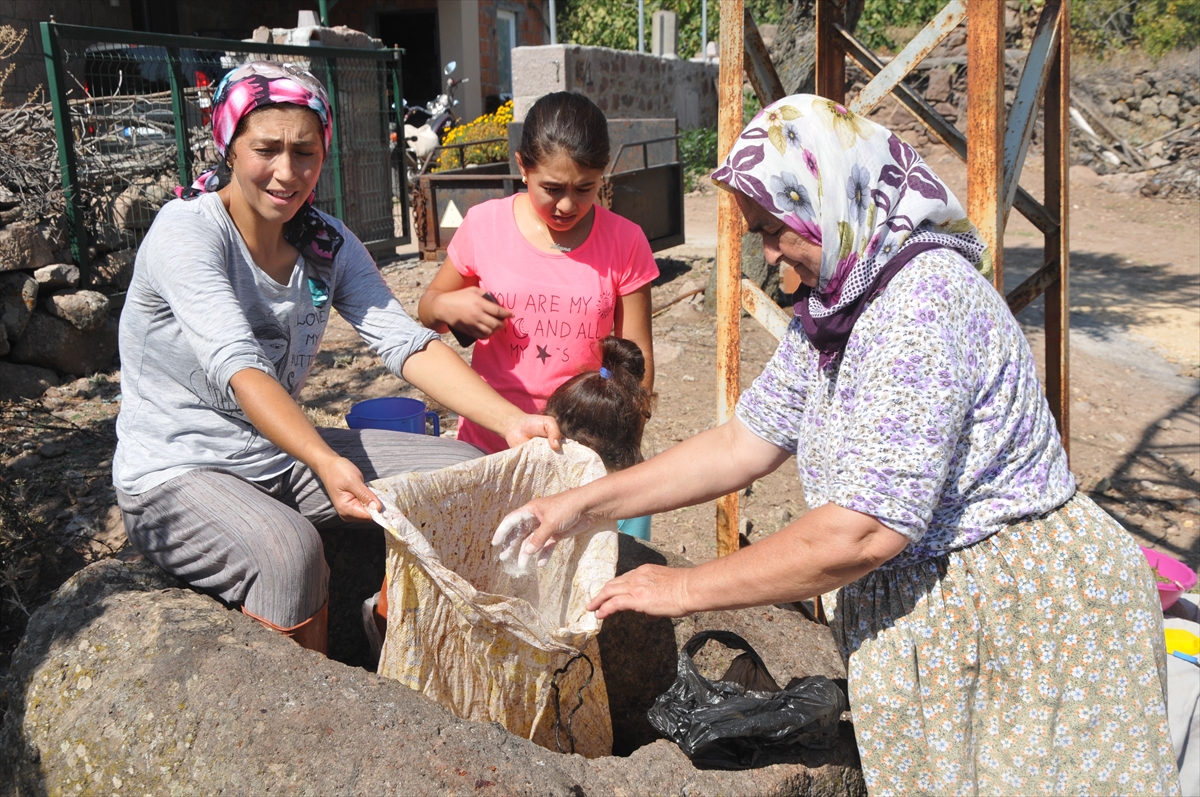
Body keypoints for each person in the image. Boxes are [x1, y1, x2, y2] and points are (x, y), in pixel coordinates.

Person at [495, 95, 1180, 794]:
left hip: (1023, 627)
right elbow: (741, 444)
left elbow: (862, 531)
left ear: (829, 200)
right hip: (952, 623)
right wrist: (579, 504)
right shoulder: (836, 310)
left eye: (775, 230)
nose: (769, 257)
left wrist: (685, 587)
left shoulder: (921, 303)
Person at [113, 61, 560, 656]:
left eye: (305, 151)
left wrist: (511, 421)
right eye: (265, 149)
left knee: (466, 472)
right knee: (289, 552)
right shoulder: (188, 233)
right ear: (228, 145)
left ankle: (385, 622)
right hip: (174, 474)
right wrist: (324, 459)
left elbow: (406, 341)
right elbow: (242, 368)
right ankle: (298, 718)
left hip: (275, 456)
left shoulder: (324, 242)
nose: (286, 172)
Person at [417, 91, 658, 455]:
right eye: (551, 188)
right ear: (522, 167)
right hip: (487, 441)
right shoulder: (485, 225)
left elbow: (638, 365)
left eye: (584, 188)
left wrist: (622, 453)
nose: (566, 204)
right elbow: (427, 311)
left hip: (578, 447)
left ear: (603, 171)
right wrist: (447, 307)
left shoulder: (625, 241)